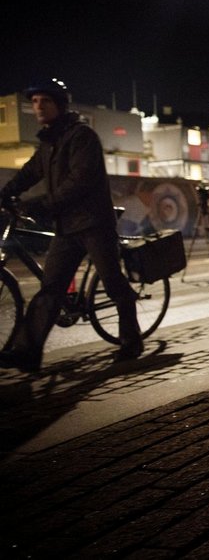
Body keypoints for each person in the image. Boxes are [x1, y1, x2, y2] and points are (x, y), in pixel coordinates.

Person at [0, 79, 142, 372]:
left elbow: (79, 182)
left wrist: (40, 204)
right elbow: (30, 172)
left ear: (60, 105)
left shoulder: (81, 137)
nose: (38, 106)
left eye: (45, 101)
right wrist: (6, 192)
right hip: (67, 227)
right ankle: (27, 353)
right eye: (35, 102)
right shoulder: (49, 142)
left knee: (114, 283)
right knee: (50, 289)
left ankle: (132, 339)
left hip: (94, 224)